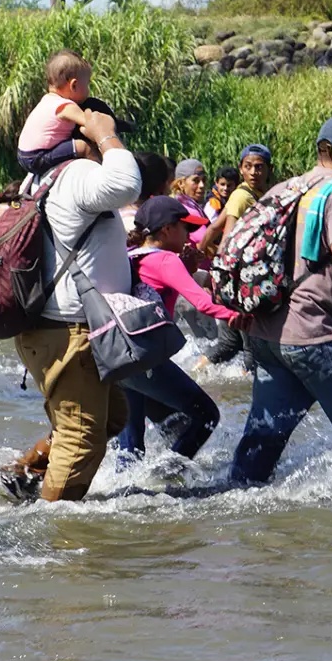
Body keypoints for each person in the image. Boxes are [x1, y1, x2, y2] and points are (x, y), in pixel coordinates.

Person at [229, 113, 332, 486]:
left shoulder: (285, 188)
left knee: (264, 438)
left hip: (267, 332)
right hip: (314, 334)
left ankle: (237, 502)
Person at [10, 103, 141, 502]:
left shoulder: (44, 178)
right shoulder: (79, 173)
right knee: (82, 441)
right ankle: (52, 537)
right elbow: (128, 184)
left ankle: (22, 477)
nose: (118, 141)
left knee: (111, 417)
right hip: (70, 331)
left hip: (52, 327)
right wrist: (104, 133)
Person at [119, 196, 246, 465]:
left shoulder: (130, 255)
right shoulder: (166, 260)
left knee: (132, 447)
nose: (191, 236)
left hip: (120, 358)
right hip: (146, 359)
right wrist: (240, 316)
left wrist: (186, 269)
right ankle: (168, 475)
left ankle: (128, 493)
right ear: (166, 230)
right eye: (185, 228)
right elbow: (203, 302)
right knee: (207, 415)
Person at [201, 143, 274, 368]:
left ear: (269, 169)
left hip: (243, 278)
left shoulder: (254, 195)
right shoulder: (243, 197)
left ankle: (195, 375)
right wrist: (220, 278)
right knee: (253, 347)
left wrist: (198, 258)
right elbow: (227, 238)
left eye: (259, 167)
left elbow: (213, 228)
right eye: (248, 166)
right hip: (242, 281)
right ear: (241, 169)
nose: (254, 172)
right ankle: (249, 396)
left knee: (230, 344)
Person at [16, 49, 92, 175]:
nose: (88, 91)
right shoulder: (67, 106)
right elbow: (90, 124)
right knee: (83, 146)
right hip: (37, 157)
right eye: (87, 85)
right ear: (74, 85)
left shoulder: (48, 100)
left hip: (23, 154)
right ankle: (102, 176)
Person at [170, 158, 217, 342]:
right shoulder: (180, 208)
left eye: (204, 179)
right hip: (190, 287)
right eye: (196, 180)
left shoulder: (193, 205)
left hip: (201, 282)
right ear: (181, 183)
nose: (202, 185)